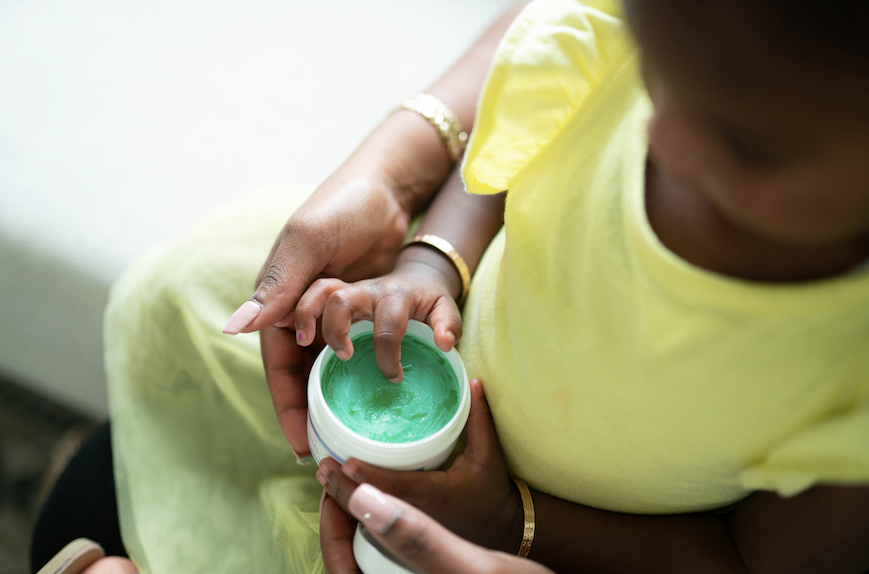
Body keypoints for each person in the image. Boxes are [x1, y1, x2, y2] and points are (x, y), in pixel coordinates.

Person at [35, 0, 869, 572]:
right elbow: (536, 119)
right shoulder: (709, 56)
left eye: (746, 147)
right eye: (654, 70)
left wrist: (511, 519)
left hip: (548, 543)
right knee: (178, 295)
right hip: (443, 318)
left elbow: (745, 560)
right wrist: (432, 261)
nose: (667, 140)